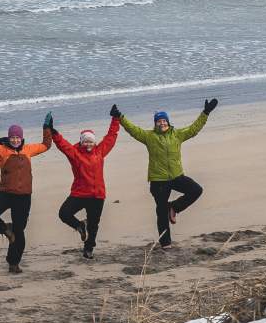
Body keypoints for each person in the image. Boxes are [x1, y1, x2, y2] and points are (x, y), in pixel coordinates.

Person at [118, 99, 218, 247]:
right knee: (161, 212)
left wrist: (206, 113)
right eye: (159, 121)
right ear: (155, 123)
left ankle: (174, 207)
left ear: (168, 122)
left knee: (196, 190)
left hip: (177, 176)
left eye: (164, 120)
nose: (162, 123)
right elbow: (133, 130)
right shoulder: (149, 137)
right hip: (158, 180)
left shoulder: (177, 134)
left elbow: (194, 129)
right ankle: (166, 243)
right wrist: (120, 117)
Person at [0, 120, 49, 273]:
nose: (15, 140)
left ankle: (14, 263)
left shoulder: (28, 150)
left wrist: (46, 127)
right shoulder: (2, 150)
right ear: (8, 138)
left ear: (22, 138)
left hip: (24, 196)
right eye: (12, 137)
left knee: (19, 232)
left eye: (17, 137)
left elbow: (46, 145)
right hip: (5, 193)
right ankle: (6, 229)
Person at [48, 112, 120, 258]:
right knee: (64, 213)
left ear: (94, 142)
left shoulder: (100, 151)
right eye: (85, 141)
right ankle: (79, 225)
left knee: (94, 225)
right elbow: (63, 145)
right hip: (79, 194)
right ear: (81, 142)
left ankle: (88, 249)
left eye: (91, 141)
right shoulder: (75, 153)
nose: (88, 143)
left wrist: (115, 119)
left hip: (97, 195)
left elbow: (111, 137)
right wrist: (53, 132)